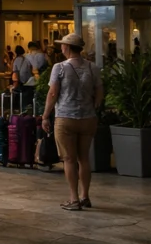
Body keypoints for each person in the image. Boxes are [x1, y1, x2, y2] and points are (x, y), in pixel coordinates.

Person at [42, 33, 105, 211]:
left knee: (69, 159)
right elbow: (100, 91)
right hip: (88, 118)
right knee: (83, 158)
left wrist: (46, 115)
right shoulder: (93, 67)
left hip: (65, 118)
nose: (61, 47)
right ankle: (85, 196)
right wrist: (93, 106)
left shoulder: (59, 67)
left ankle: (73, 198)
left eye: (62, 45)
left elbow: (53, 93)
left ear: (67, 48)